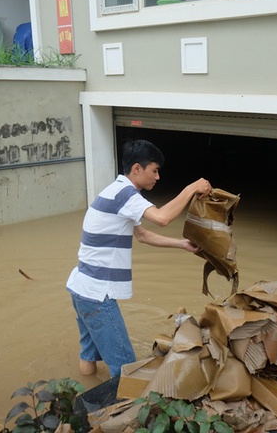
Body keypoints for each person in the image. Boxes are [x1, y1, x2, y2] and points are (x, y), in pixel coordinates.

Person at [66, 139, 212, 377]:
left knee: (88, 359)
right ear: (137, 169)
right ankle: (117, 412)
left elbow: (142, 235)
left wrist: (182, 244)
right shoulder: (126, 195)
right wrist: (191, 189)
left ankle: (86, 390)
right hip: (97, 295)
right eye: (154, 171)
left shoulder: (113, 191)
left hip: (80, 289)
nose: (157, 177)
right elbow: (163, 218)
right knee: (127, 370)